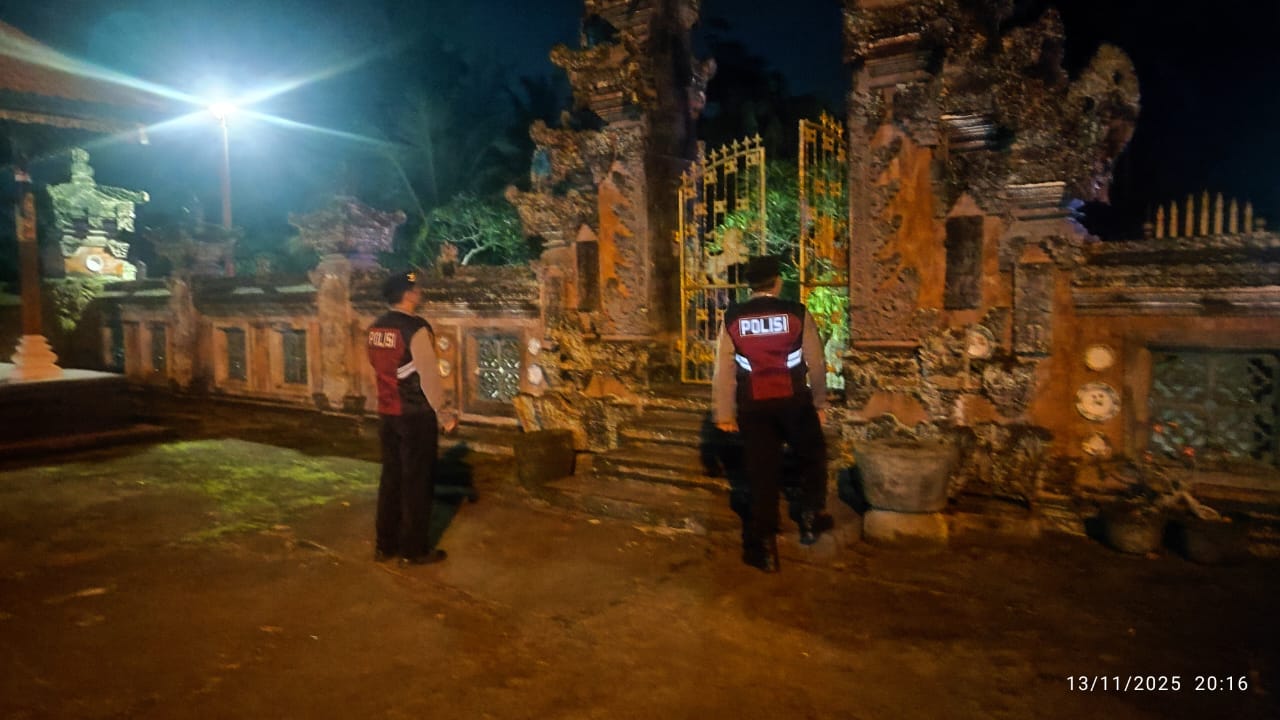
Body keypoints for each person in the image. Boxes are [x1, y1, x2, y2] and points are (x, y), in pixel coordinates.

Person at [712, 256, 831, 572]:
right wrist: (820, 403)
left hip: (753, 406)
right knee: (813, 456)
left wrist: (724, 413)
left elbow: (724, 370)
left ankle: (764, 547)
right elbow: (816, 362)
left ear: (749, 285)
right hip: (795, 401)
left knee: (761, 473)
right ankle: (810, 517)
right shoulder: (796, 313)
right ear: (777, 281)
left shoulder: (733, 317)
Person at [366, 270, 458, 566]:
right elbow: (428, 377)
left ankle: (385, 545)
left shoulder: (376, 327)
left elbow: (377, 366)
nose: (419, 292)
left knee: (391, 478)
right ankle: (413, 550)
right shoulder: (415, 329)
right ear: (407, 294)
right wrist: (444, 414)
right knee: (417, 482)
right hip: (415, 415)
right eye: (416, 289)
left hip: (387, 413)